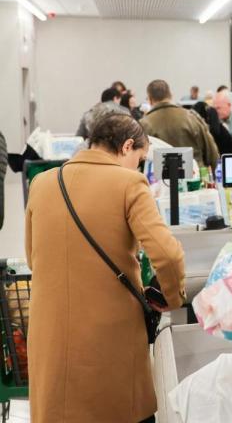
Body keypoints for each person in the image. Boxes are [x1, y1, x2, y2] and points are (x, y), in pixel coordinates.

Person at [25, 114, 186, 423]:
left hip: (50, 336)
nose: (139, 167)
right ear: (127, 146)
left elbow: (34, 259)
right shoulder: (129, 183)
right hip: (109, 339)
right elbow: (167, 255)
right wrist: (173, 299)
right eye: (139, 159)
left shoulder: (42, 182)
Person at [140, 80, 220, 168]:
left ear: (150, 99)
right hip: (195, 178)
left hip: (158, 180)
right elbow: (213, 155)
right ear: (171, 96)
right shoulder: (192, 118)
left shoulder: (144, 124)